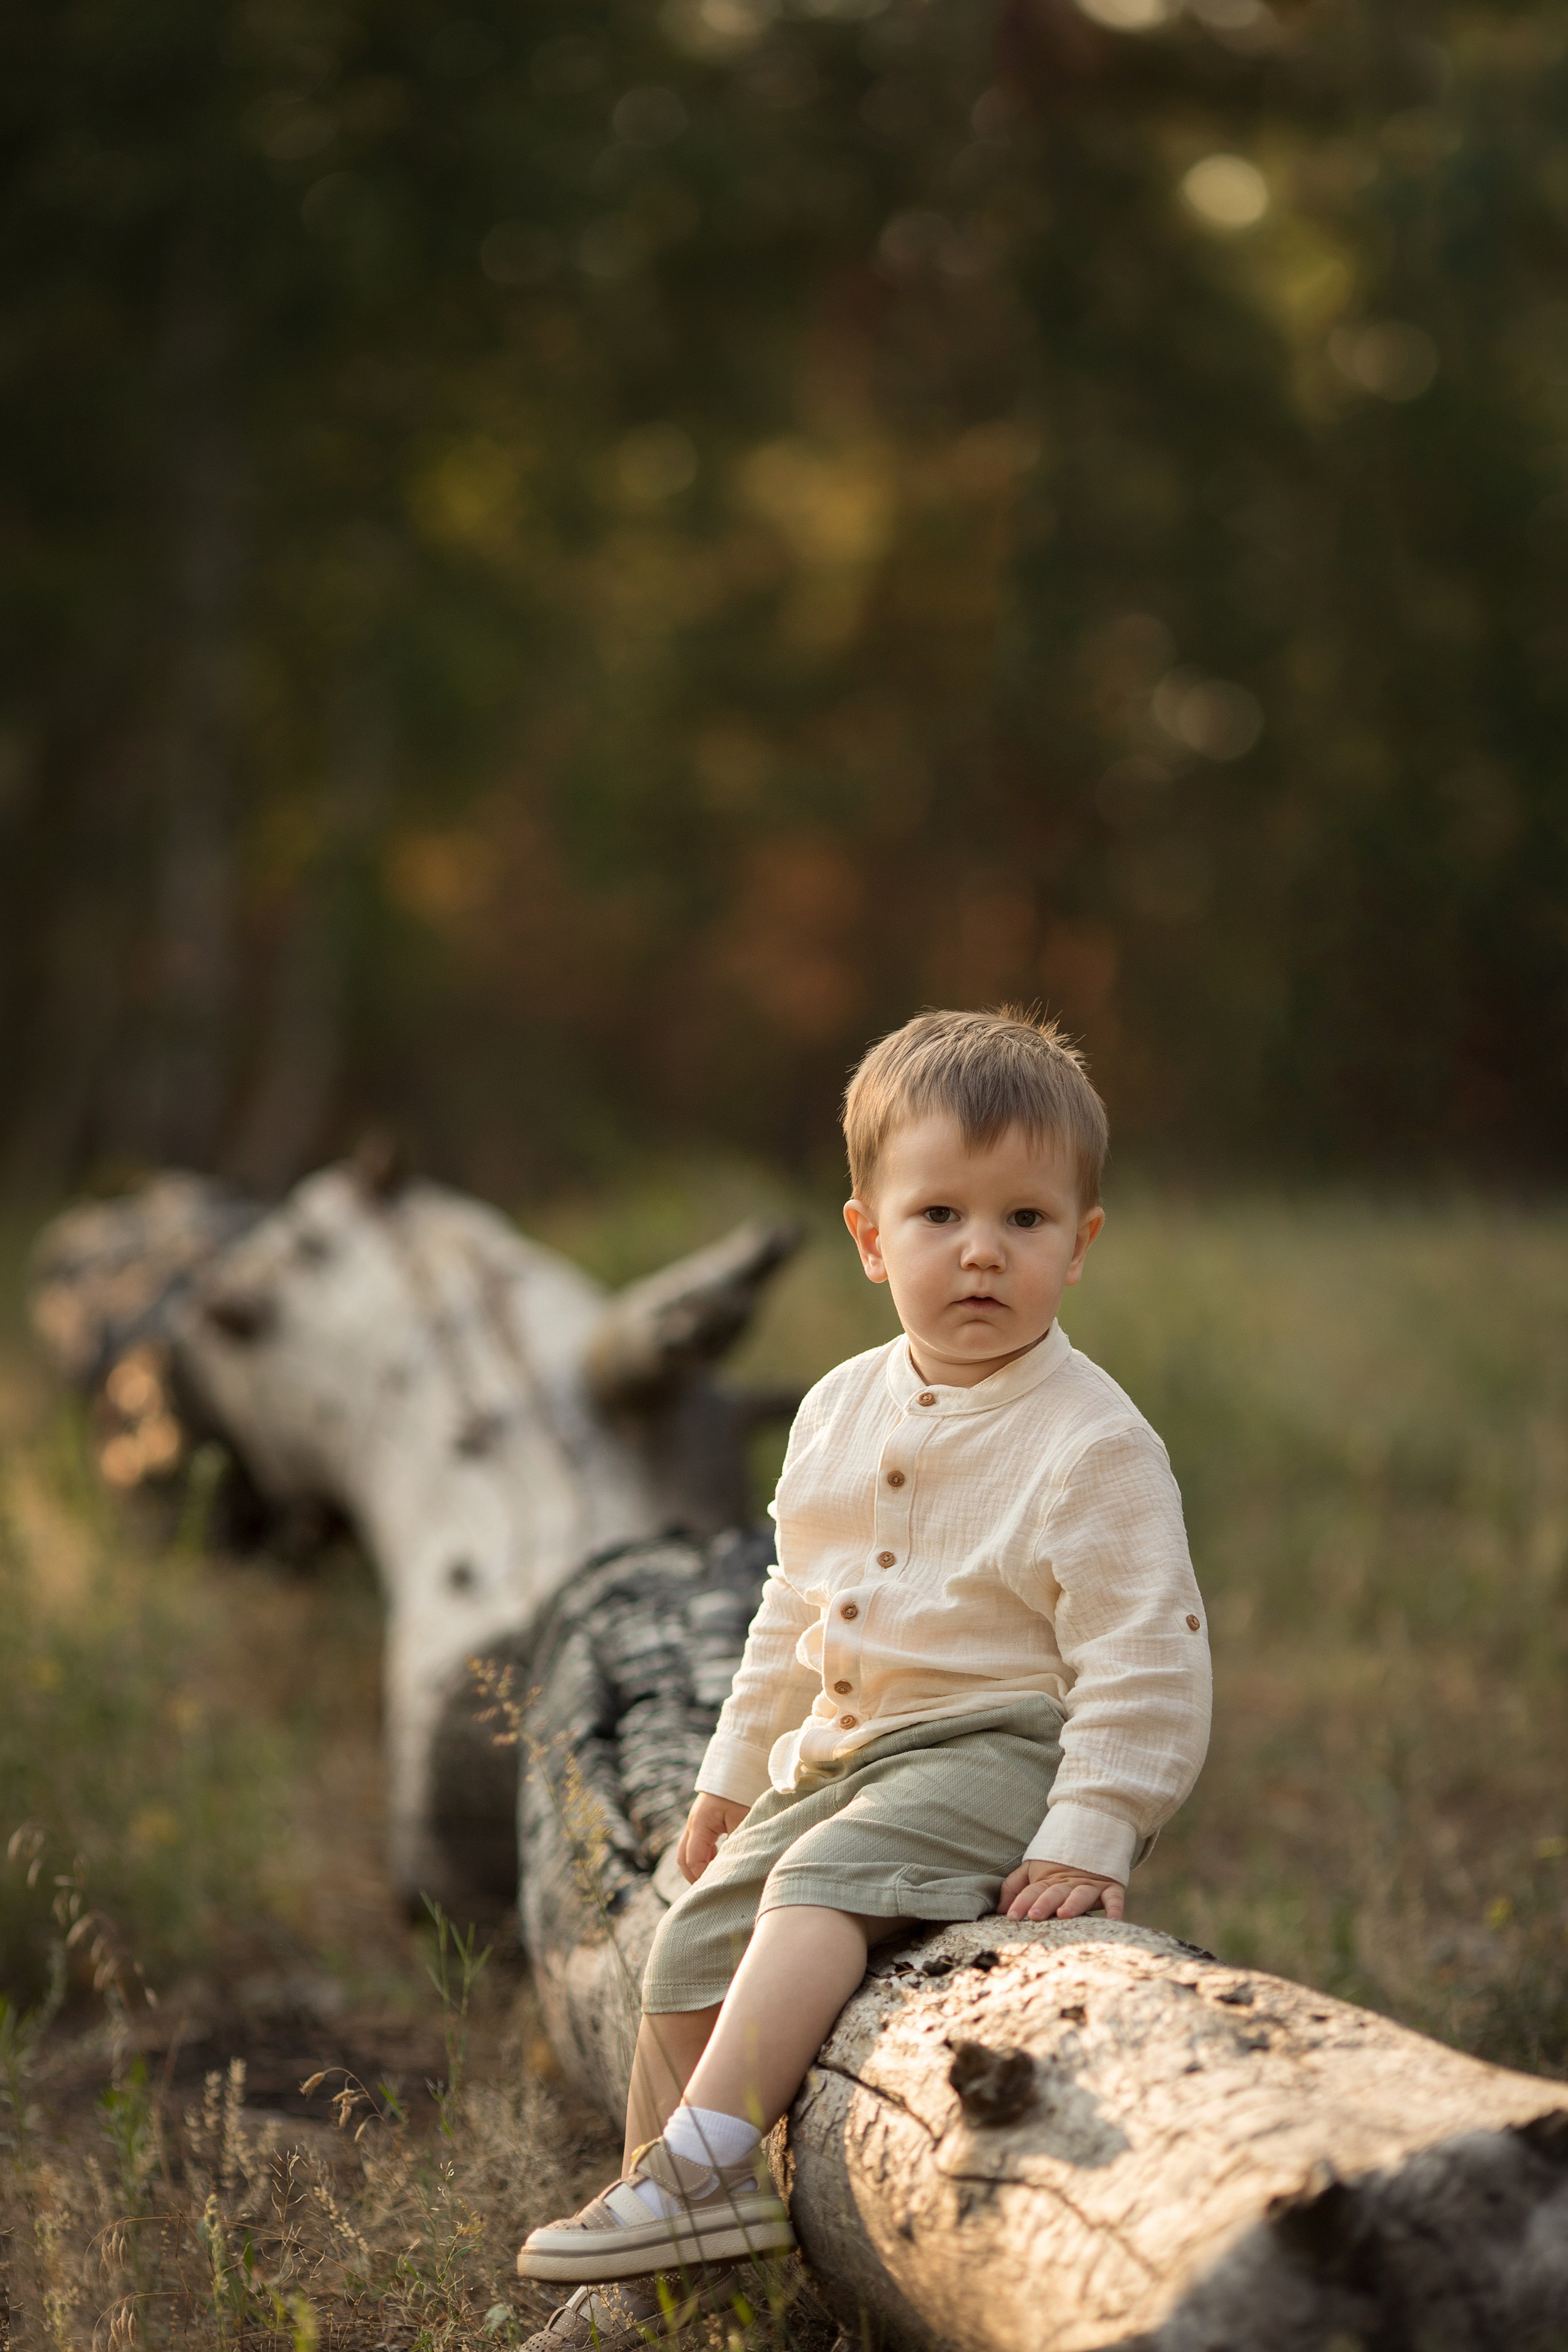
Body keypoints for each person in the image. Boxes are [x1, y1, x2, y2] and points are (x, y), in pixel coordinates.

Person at [518, 1008, 1211, 2350]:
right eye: (939, 1212)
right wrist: (729, 1777)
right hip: (849, 1755)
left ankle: (711, 2162)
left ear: (1080, 1245)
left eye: (1022, 1220)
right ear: (867, 1237)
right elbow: (791, 1610)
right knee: (686, 1941)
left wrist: (1091, 1830)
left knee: (815, 1888)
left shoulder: (1093, 1444)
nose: (978, 1251)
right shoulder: (839, 1406)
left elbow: (1144, 1656)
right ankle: (656, 2240)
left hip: (995, 1751)